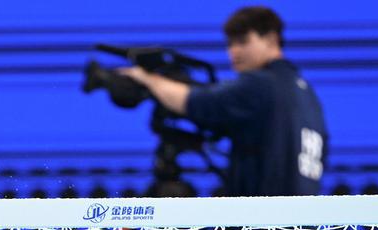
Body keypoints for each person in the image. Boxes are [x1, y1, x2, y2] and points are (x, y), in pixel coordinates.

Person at [120, 6, 328, 196]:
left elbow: (192, 101)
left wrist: (146, 79)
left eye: (243, 41)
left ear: (271, 39)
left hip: (262, 229)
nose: (233, 52)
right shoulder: (307, 95)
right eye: (230, 44)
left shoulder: (261, 85)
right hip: (302, 228)